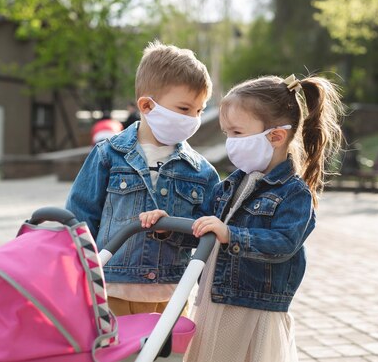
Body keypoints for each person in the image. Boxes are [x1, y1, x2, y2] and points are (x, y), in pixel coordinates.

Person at [140, 74, 344, 362]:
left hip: (251, 309)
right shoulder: (230, 185)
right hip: (214, 302)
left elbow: (284, 242)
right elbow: (204, 227)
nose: (230, 142)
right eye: (227, 134)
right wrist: (167, 227)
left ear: (275, 136)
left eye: (237, 133)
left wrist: (231, 235)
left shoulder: (293, 193)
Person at [66, 41, 220, 317]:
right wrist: (76, 276)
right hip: (110, 290)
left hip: (172, 294)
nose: (193, 119)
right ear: (148, 105)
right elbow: (80, 217)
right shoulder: (108, 155)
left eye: (199, 110)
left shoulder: (202, 172)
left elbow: (207, 235)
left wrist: (170, 229)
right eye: (185, 109)